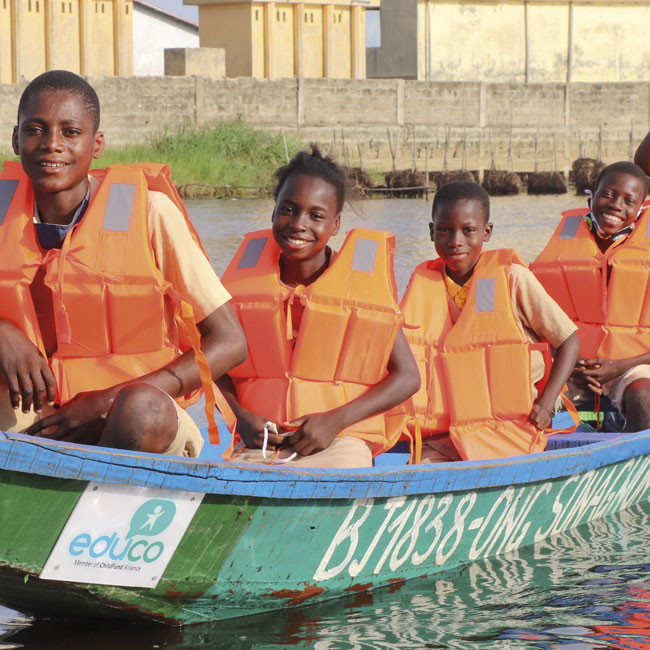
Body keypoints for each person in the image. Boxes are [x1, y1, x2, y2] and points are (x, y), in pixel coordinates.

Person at [0, 70, 246, 456]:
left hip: (136, 419)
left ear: (96, 144)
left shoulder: (150, 213)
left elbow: (230, 342)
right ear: (16, 140)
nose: (51, 144)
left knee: (140, 410)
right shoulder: (2, 212)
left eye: (70, 132)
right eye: (35, 130)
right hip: (41, 416)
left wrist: (106, 402)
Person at [216, 146, 420, 468]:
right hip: (265, 443)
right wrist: (240, 416)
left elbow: (408, 376)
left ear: (335, 225)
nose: (299, 224)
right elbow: (214, 363)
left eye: (316, 215)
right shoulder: (241, 287)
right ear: (273, 213)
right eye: (288, 210)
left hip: (341, 441)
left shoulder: (363, 289)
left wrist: (335, 421)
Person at [401, 181, 579, 462]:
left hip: (513, 426)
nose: (455, 240)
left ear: (487, 232)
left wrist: (546, 403)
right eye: (444, 230)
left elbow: (569, 340)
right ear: (431, 231)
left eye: (468, 230)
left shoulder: (513, 279)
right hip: (445, 432)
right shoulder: (423, 285)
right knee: (422, 470)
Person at [531, 161, 650, 432]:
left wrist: (618, 366)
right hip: (570, 367)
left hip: (633, 365)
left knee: (645, 397)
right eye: (607, 194)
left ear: (641, 210)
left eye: (628, 200)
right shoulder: (561, 251)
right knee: (518, 393)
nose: (616, 205)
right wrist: (570, 367)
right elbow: (537, 327)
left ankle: (633, 465)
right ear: (591, 198)